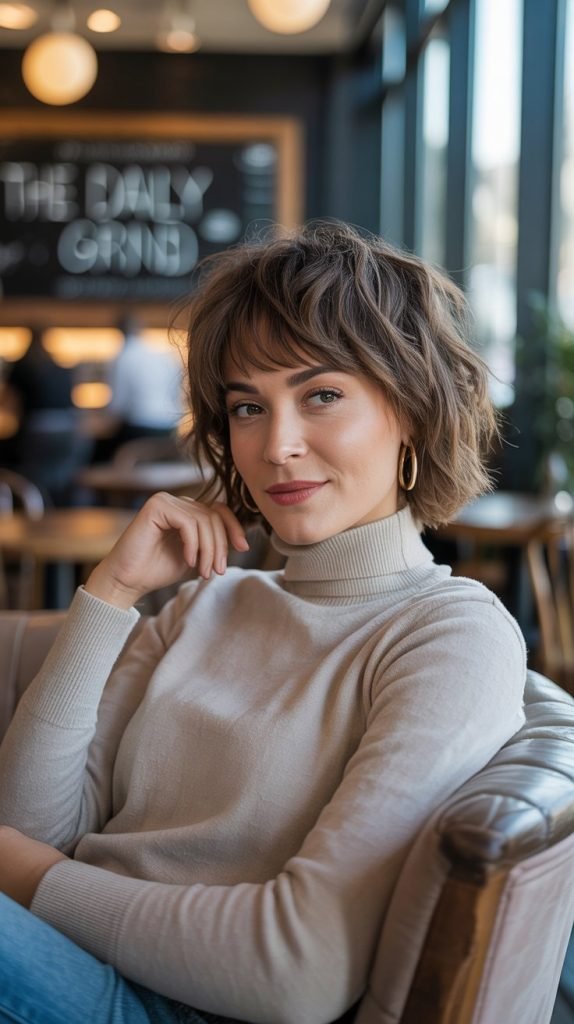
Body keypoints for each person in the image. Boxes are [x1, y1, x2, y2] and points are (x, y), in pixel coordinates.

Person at [0, 222, 526, 1024]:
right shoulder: (201, 604)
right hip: (61, 962)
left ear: (412, 411)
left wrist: (27, 878)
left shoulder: (449, 635)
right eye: (248, 406)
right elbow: (31, 828)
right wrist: (110, 592)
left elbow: (299, 972)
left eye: (321, 395)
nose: (276, 445)